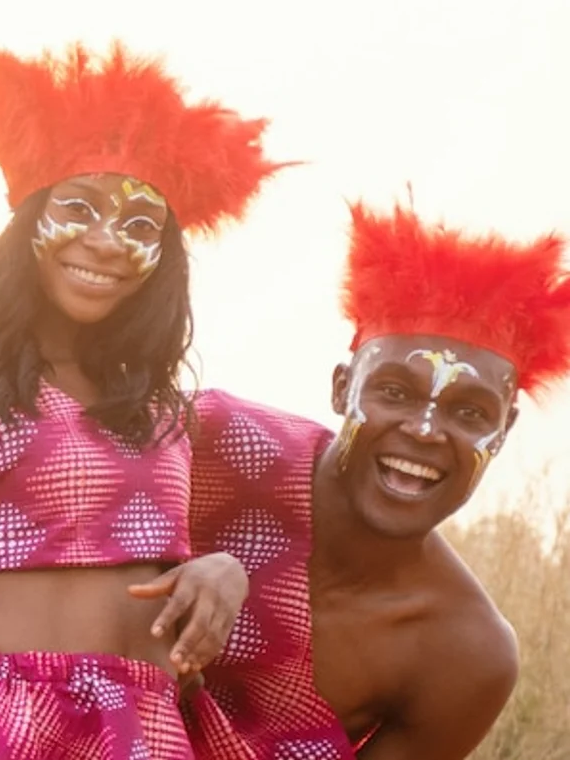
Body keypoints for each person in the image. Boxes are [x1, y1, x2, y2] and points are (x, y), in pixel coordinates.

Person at [0, 42, 285, 760]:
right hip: (6, 723)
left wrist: (227, 567)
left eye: (140, 225)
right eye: (78, 208)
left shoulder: (168, 413)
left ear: (166, 257)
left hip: (147, 730)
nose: (106, 241)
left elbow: (303, 516)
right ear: (27, 223)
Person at [178, 201, 570, 759]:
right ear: (342, 388)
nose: (427, 430)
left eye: (470, 413)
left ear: (503, 431)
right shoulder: (215, 443)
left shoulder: (462, 650)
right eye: (394, 392)